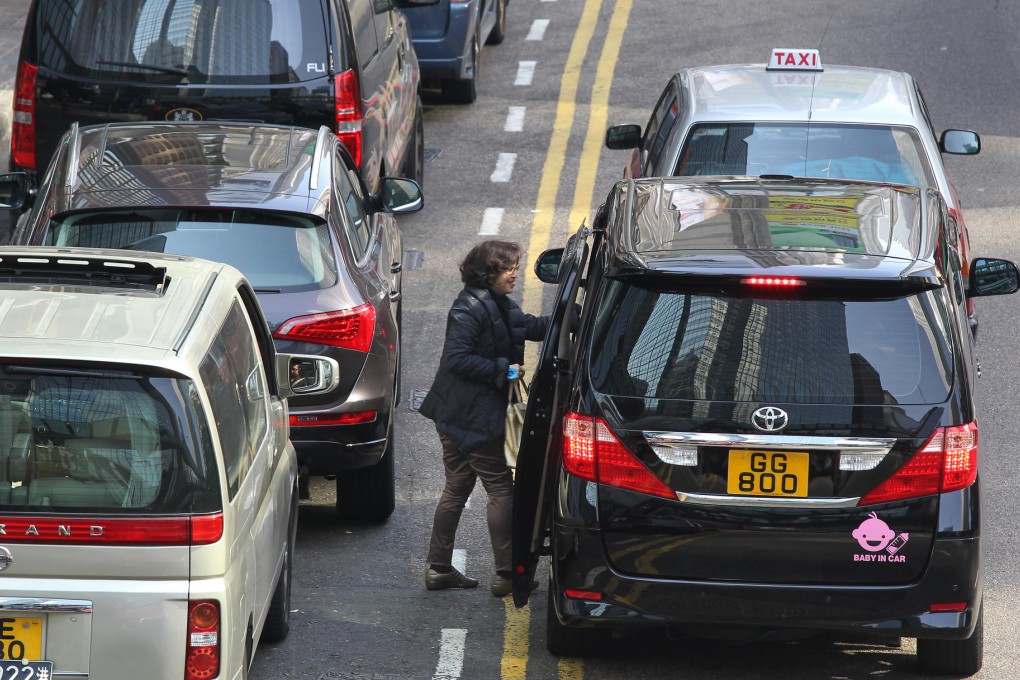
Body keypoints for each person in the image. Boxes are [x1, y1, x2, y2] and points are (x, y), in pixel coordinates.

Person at [419, 239, 549, 597]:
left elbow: (529, 325)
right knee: (500, 489)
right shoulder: (469, 309)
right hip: (472, 418)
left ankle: (439, 569)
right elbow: (456, 359)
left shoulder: (496, 304)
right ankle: (507, 573)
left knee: (456, 488)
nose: (516, 274)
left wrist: (577, 318)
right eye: (510, 269)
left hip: (455, 415)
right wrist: (505, 370)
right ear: (490, 272)